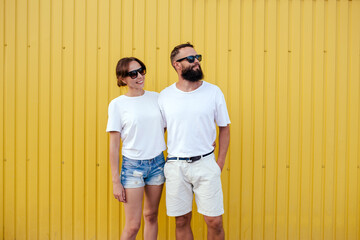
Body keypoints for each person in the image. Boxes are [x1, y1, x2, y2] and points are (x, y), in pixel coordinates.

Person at [158, 43, 231, 240]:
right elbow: (159, 131)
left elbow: (224, 127)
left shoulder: (213, 92)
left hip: (206, 163)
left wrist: (219, 164)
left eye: (197, 56)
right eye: (190, 59)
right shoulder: (165, 96)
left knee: (214, 221)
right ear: (177, 65)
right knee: (181, 220)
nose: (196, 61)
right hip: (176, 165)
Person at [106, 57, 166, 240]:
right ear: (122, 79)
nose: (140, 76)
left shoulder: (157, 98)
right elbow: (114, 146)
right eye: (133, 73)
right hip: (132, 167)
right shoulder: (117, 105)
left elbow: (172, 124)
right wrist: (116, 181)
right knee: (133, 226)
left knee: (151, 216)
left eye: (142, 70)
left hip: (157, 163)